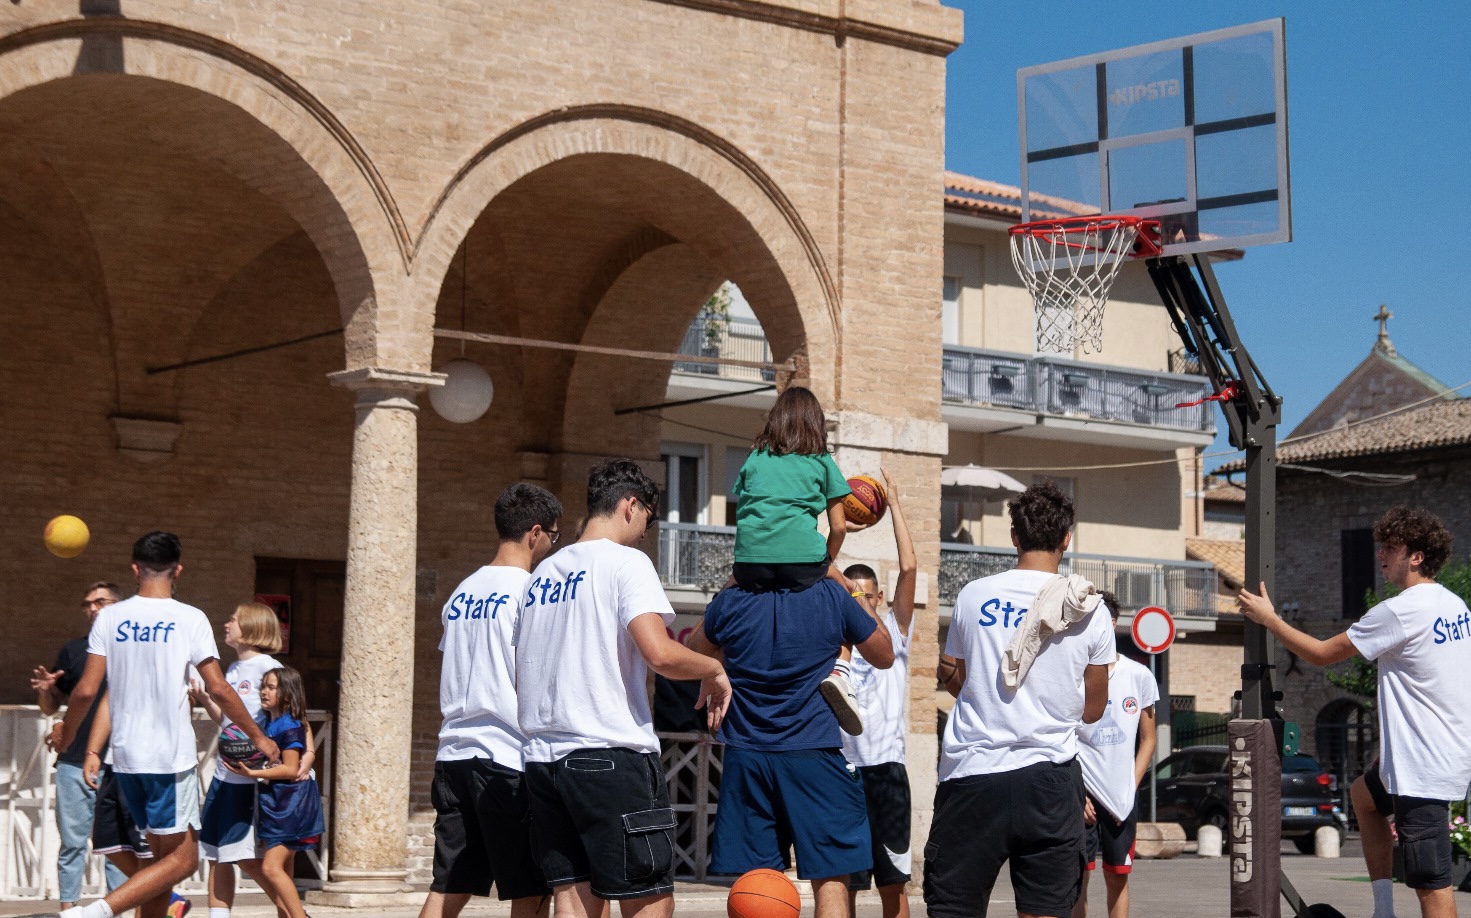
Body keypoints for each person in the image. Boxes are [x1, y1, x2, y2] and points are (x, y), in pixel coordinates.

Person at [515, 459, 731, 918]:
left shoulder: (542, 575)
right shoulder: (626, 562)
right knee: (649, 898)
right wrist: (711, 668)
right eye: (648, 522)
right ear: (630, 506)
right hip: (608, 752)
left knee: (573, 899)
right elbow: (659, 653)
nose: (645, 534)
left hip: (543, 760)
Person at [1238, 506, 1471, 918]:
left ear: (1417, 556)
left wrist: (1270, 619)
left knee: (1432, 887)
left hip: (1423, 768)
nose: (1381, 553)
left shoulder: (1401, 609)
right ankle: (1383, 909)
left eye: (1391, 547)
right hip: (1436, 757)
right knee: (1363, 797)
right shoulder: (1455, 606)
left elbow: (1323, 654)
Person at [57, 532, 278, 918]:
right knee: (183, 861)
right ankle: (91, 912)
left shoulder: (110, 616)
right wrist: (258, 736)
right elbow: (219, 688)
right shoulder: (189, 618)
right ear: (178, 569)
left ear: (134, 568)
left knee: (158, 865)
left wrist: (77, 740)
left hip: (125, 759)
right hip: (168, 759)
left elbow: (87, 691)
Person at [685, 519, 895, 918]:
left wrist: (734, 581)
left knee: (760, 885)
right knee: (832, 876)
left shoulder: (732, 601)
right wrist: (839, 577)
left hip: (748, 755)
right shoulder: (832, 596)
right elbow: (884, 653)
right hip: (814, 751)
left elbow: (695, 652)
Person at [926, 481, 1113, 918]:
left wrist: (986, 696)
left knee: (954, 909)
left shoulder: (973, 595)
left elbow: (954, 675)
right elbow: (1093, 709)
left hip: (973, 773)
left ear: (1014, 537)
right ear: (1067, 539)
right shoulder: (1090, 609)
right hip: (1050, 780)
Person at [418, 483, 561, 918]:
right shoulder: (530, 592)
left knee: (449, 884)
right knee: (531, 889)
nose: (553, 547)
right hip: (506, 758)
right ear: (535, 533)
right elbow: (534, 674)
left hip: (453, 755)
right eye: (554, 537)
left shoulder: (461, 592)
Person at [730, 385, 863, 732]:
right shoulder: (821, 461)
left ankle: (717, 672)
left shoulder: (755, 458)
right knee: (846, 596)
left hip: (749, 562)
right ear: (815, 423)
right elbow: (838, 528)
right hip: (802, 561)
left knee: (725, 600)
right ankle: (841, 673)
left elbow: (746, 509)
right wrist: (828, 566)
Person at [839, 469, 917, 918]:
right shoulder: (835, 637)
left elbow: (910, 566)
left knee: (893, 889)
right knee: (841, 888)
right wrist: (835, 521)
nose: (859, 602)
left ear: (879, 596)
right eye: (851, 595)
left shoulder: (895, 630)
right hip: (844, 771)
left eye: (866, 595)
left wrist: (896, 507)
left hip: (887, 771)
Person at [193, 602, 297, 918]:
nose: (227, 624)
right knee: (216, 852)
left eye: (233, 619)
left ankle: (293, 912)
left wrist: (291, 756)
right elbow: (226, 719)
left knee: (245, 855)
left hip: (248, 777)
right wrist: (203, 698)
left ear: (251, 627)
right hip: (225, 773)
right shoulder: (233, 669)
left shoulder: (268, 668)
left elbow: (290, 716)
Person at [32, 582, 129, 912]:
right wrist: (47, 691)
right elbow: (50, 706)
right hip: (74, 759)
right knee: (72, 843)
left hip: (120, 760)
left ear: (118, 605)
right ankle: (70, 910)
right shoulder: (74, 650)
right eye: (87, 604)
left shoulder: (133, 648)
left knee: (118, 846)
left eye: (100, 602)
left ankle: (115, 908)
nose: (92, 608)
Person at [1072, 594, 1158, 918]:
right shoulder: (1073, 674)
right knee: (1078, 878)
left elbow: (1148, 740)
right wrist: (1076, 792)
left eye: (1100, 619)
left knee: (1117, 878)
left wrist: (1129, 787)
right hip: (1082, 795)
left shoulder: (1139, 676)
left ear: (1112, 623)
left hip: (1121, 796)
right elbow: (1061, 738)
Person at [223, 666, 324, 918]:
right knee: (284, 870)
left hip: (293, 803)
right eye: (263, 686)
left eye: (271, 687)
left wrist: (252, 773)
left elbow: (290, 769)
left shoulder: (288, 726)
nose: (264, 692)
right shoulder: (273, 720)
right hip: (278, 802)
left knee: (270, 868)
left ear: (287, 694)